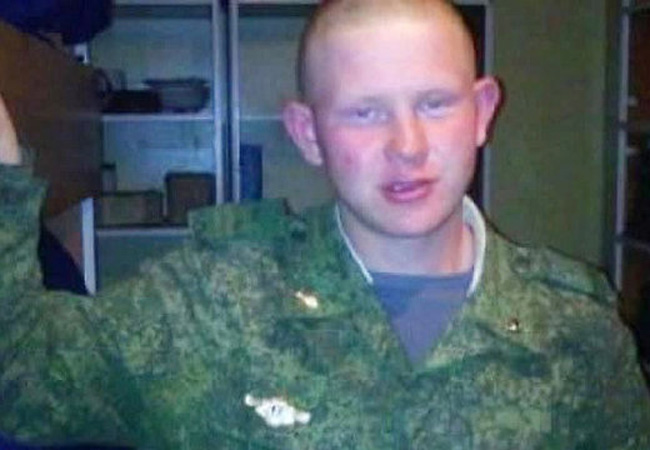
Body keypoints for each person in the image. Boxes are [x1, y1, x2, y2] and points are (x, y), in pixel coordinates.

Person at [0, 0, 649, 448]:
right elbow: (21, 377)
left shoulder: (576, 333)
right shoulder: (207, 306)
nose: (408, 146)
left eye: (434, 104)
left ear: (481, 113)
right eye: (365, 112)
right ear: (307, 133)